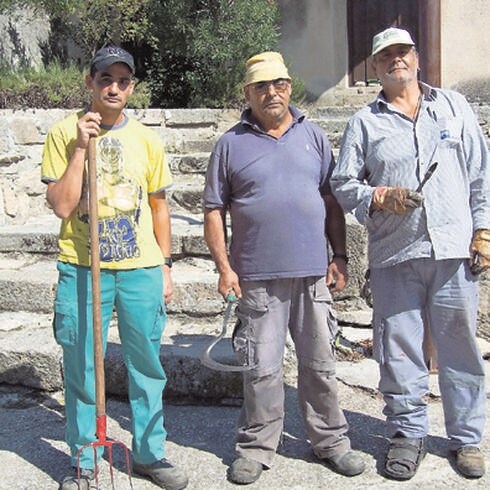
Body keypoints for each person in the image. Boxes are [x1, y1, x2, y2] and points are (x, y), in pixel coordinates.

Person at [331, 27, 490, 481]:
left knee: (460, 348)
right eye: (386, 56)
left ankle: (466, 439)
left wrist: (485, 231)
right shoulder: (365, 121)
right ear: (375, 67)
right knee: (397, 350)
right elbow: (343, 185)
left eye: (403, 52)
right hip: (395, 253)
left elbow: (480, 173)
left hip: (454, 251)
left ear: (417, 59)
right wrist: (380, 196)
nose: (396, 60)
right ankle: (408, 434)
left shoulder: (454, 107)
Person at [203, 51, 366, 485]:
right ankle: (256, 447)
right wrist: (224, 267)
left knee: (320, 364)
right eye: (261, 86)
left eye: (278, 84)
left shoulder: (313, 136)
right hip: (256, 276)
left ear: (289, 87)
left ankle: (331, 441)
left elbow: (330, 201)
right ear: (247, 93)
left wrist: (340, 255)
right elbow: (214, 210)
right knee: (260, 367)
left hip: (312, 273)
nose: (271, 93)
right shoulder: (230, 143)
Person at [41, 46, 188, 490]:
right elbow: (62, 205)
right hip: (83, 267)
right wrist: (82, 148)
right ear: (90, 82)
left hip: (140, 267)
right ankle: (85, 458)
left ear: (132, 87)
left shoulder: (146, 139)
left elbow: (159, 207)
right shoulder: (64, 133)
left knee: (147, 365)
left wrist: (164, 266)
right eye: (106, 78)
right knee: (83, 365)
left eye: (123, 81)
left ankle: (148, 453)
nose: (114, 87)